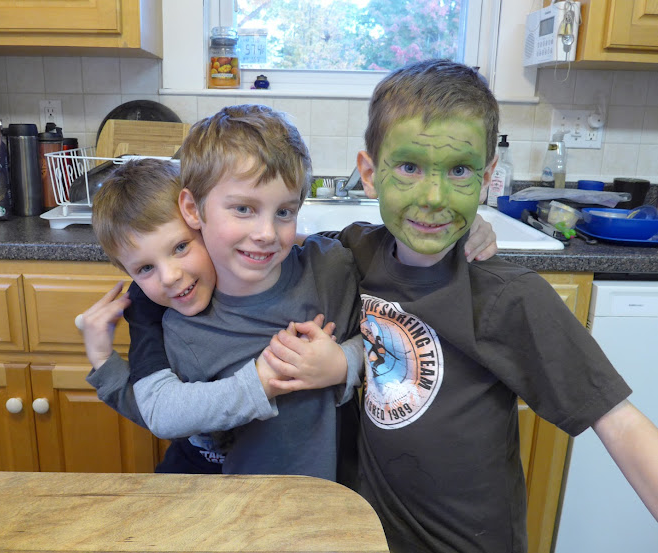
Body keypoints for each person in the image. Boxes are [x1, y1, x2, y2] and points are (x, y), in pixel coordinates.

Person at [293, 58, 658, 552]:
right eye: (409, 167)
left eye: (459, 171)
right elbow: (274, 245)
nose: (434, 196)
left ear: (487, 179)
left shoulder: (510, 297)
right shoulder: (359, 250)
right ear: (370, 174)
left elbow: (620, 422)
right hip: (375, 534)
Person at [86, 108, 366, 481]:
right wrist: (262, 380)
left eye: (284, 212)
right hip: (243, 502)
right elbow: (159, 412)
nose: (266, 233)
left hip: (342, 498)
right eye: (243, 209)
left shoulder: (331, 268)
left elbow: (403, 333)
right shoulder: (178, 327)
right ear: (193, 211)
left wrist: (345, 362)